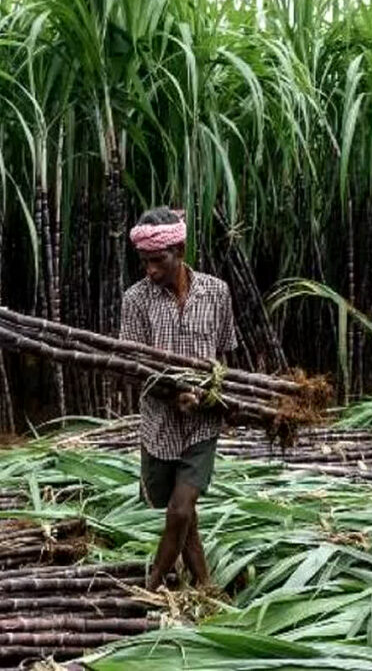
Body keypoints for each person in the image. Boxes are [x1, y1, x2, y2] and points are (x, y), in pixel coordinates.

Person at [119, 207, 237, 590]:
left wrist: (208, 397)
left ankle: (152, 584)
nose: (151, 270)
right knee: (179, 514)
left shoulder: (217, 292)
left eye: (159, 260)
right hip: (160, 425)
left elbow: (225, 356)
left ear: (181, 250)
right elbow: (135, 366)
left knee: (181, 507)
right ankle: (203, 585)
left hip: (203, 423)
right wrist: (174, 396)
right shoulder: (136, 300)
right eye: (145, 261)